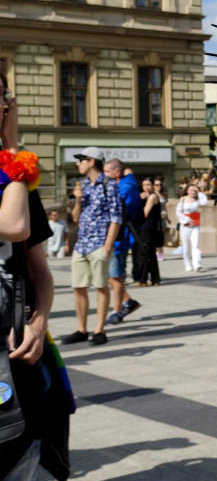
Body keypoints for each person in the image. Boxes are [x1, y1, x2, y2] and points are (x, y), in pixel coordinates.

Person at [0, 89, 61, 481]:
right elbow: (12, 225)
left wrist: (39, 320)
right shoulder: (17, 175)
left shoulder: (19, 178)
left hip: (14, 362)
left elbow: (38, 268)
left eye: (3, 98)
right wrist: (16, 153)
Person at [62, 147, 122, 346]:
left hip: (99, 243)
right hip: (82, 243)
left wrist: (107, 246)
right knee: (78, 286)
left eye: (81, 160)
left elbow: (116, 217)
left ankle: (99, 330)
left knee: (101, 287)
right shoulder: (84, 185)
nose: (78, 163)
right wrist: (78, 199)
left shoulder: (109, 184)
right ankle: (82, 329)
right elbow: (76, 218)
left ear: (92, 161)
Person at [102, 159, 142, 326]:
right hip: (115, 238)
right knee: (110, 275)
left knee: (115, 275)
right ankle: (128, 301)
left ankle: (117, 310)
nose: (104, 175)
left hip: (120, 239)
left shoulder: (126, 188)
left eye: (107, 172)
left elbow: (119, 213)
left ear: (116, 173)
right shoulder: (121, 186)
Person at [133, 178, 161, 287]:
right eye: (144, 185)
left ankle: (142, 279)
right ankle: (155, 279)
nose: (146, 187)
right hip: (147, 227)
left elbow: (144, 212)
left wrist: (139, 200)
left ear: (153, 185)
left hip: (147, 228)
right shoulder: (147, 196)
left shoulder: (153, 196)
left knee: (144, 253)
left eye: (148, 184)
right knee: (150, 253)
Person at [175, 183, 207, 272]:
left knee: (195, 245)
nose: (193, 192)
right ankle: (187, 263)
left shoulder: (198, 199)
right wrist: (187, 220)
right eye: (191, 190)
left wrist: (199, 192)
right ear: (187, 191)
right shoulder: (183, 199)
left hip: (195, 224)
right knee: (186, 247)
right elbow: (178, 212)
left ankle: (196, 263)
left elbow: (205, 201)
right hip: (185, 224)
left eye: (194, 190)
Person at [152, 176, 168, 260]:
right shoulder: (153, 195)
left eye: (160, 185)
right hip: (156, 218)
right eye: (156, 185)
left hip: (163, 218)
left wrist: (168, 218)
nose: (159, 187)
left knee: (162, 235)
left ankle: (160, 251)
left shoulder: (162, 194)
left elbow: (165, 207)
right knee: (157, 235)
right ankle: (158, 252)